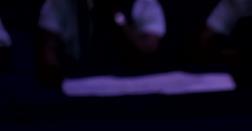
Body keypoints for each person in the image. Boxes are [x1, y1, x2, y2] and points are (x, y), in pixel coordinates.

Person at [37, 0, 166, 84]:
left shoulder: (144, 4)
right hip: (75, 83)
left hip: (132, 82)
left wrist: (119, 18)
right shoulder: (59, 4)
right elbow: (48, 50)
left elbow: (149, 46)